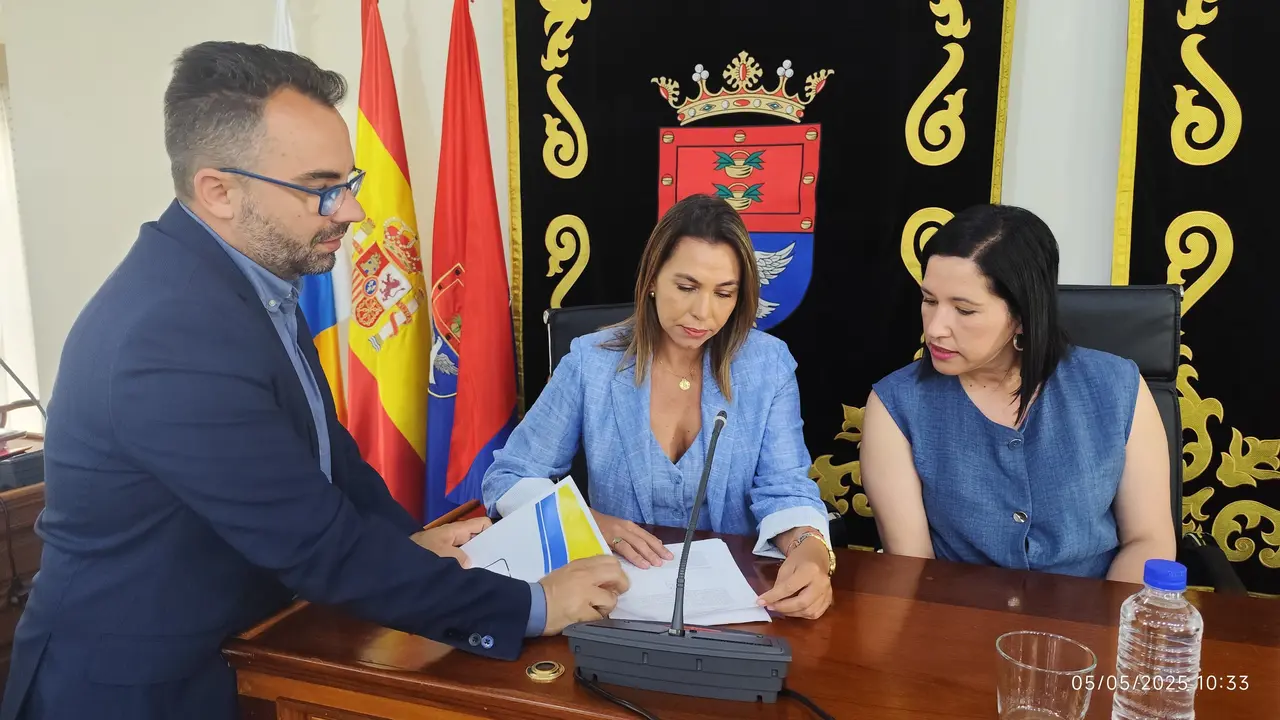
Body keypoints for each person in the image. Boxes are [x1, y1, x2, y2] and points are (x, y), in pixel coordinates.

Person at [0, 41, 627, 720]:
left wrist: (405, 541)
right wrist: (532, 606)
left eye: (349, 182)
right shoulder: (169, 335)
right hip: (138, 689)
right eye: (321, 188)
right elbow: (314, 544)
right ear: (219, 191)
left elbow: (332, 462)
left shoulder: (250, 280)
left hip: (245, 651)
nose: (351, 212)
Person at [482, 193, 835, 620]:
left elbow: (785, 488)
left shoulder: (768, 365)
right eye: (686, 287)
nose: (702, 312)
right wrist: (591, 523)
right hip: (614, 598)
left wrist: (810, 548)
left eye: (724, 293)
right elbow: (509, 477)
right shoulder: (591, 363)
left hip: (736, 605)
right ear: (652, 279)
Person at [860, 204, 1176, 583]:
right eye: (929, 301)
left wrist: (1102, 632)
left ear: (1024, 315)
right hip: (956, 622)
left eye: (964, 309)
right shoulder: (897, 405)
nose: (936, 329)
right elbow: (913, 566)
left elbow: (1148, 540)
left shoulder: (1118, 387)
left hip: (1091, 622)